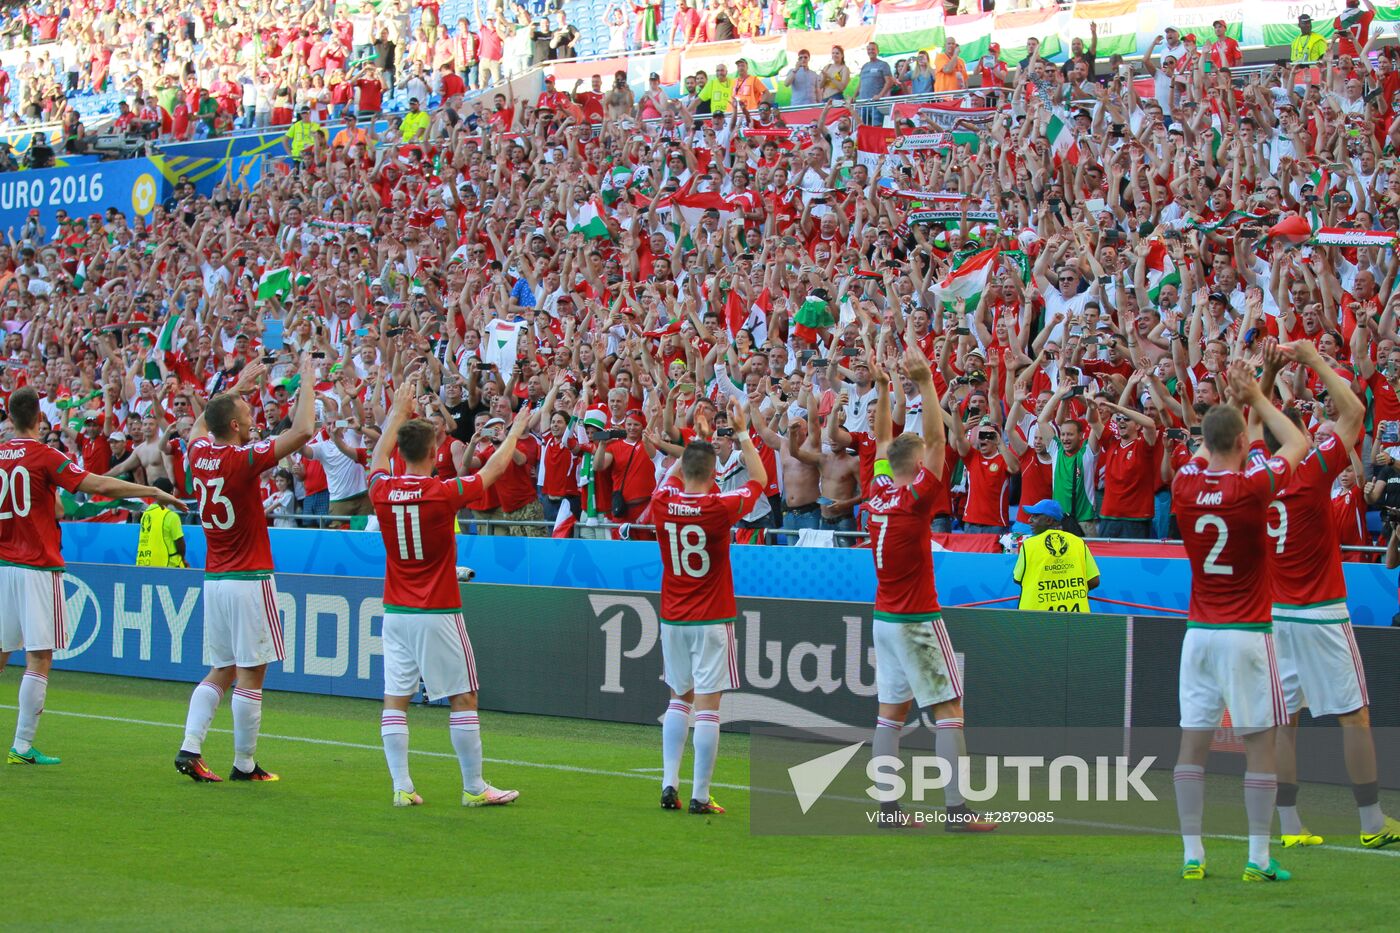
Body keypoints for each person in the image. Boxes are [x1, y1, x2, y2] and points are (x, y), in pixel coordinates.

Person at [1170, 359, 1310, 883]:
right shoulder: (1253, 485)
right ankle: (1256, 856)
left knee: (1192, 744)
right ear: (1244, 446)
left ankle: (1192, 854)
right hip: (1247, 633)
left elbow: (1211, 444)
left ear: (1204, 441)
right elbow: (1295, 444)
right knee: (1259, 743)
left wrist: (1233, 404)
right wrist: (1260, 397)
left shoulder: (1185, 485)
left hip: (1198, 634)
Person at [1262, 341, 1400, 850]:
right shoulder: (1312, 474)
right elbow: (1356, 412)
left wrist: (1270, 379)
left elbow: (1253, 418)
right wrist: (1313, 361)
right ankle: (1370, 821)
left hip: (1275, 614)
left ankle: (1291, 826)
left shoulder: (1261, 475)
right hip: (1319, 609)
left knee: (1285, 720)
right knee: (1354, 714)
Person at [1, 388, 186, 766]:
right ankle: (21, 746)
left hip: (3, 566)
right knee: (39, 656)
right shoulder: (45, 455)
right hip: (36, 564)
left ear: (9, 415)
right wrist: (152, 490)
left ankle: (22, 746)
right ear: (39, 418)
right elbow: (98, 485)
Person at [368, 380, 527, 808]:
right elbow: (492, 471)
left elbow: (376, 457)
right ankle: (474, 787)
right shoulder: (442, 493)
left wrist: (397, 412)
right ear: (437, 445)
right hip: (436, 608)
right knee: (464, 696)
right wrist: (514, 431)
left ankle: (402, 786)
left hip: (396, 609)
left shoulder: (381, 490)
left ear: (401, 451)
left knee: (395, 699)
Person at [865, 347, 994, 831]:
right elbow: (939, 441)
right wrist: (925, 383)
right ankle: (957, 811)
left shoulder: (878, 492)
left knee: (890, 714)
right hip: (916, 616)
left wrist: (881, 391)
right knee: (949, 710)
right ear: (915, 463)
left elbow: (880, 441)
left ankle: (888, 808)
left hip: (884, 617)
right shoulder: (915, 498)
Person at [173, 357, 316, 784]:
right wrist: (308, 380)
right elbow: (303, 431)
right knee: (251, 673)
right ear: (234, 426)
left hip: (215, 578)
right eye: (248, 414)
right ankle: (245, 764)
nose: (253, 419)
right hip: (250, 577)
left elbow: (202, 426)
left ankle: (190, 747)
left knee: (222, 668)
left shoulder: (199, 454)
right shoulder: (241, 459)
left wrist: (237, 386)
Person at [651, 399, 766, 815]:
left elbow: (669, 476)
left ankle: (668, 782)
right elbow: (759, 479)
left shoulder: (662, 502)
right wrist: (741, 433)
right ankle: (700, 794)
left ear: (682, 471)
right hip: (712, 617)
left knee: (678, 699)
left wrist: (690, 448)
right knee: (709, 707)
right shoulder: (720, 507)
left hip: (673, 617)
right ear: (715, 474)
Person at [1012, 499, 1100, 612]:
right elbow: (1094, 581)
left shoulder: (1029, 545)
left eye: (1035, 516)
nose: (1029, 520)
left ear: (1049, 520)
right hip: (1075, 617)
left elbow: (1017, 579)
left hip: (1036, 618)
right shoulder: (1078, 542)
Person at [135, 477, 187, 568]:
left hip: (145, 564)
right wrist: (183, 559)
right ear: (171, 493)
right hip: (168, 565)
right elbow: (180, 544)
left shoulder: (145, 514)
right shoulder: (171, 516)